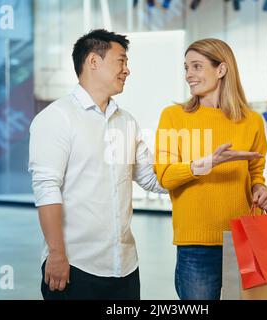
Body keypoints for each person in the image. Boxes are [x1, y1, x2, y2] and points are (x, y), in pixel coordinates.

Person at [28, 29, 167, 300]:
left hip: (125, 268)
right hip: (76, 266)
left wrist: (203, 169)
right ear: (93, 61)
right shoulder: (56, 119)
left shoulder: (126, 121)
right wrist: (56, 255)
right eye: (121, 61)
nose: (127, 70)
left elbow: (151, 179)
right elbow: (47, 190)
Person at [154, 38, 267, 300]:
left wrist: (260, 189)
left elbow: (256, 173)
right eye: (186, 68)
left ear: (221, 69)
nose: (189, 75)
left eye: (197, 67)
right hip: (196, 245)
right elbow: (164, 176)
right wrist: (206, 164)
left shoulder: (251, 121)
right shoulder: (173, 116)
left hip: (244, 240)